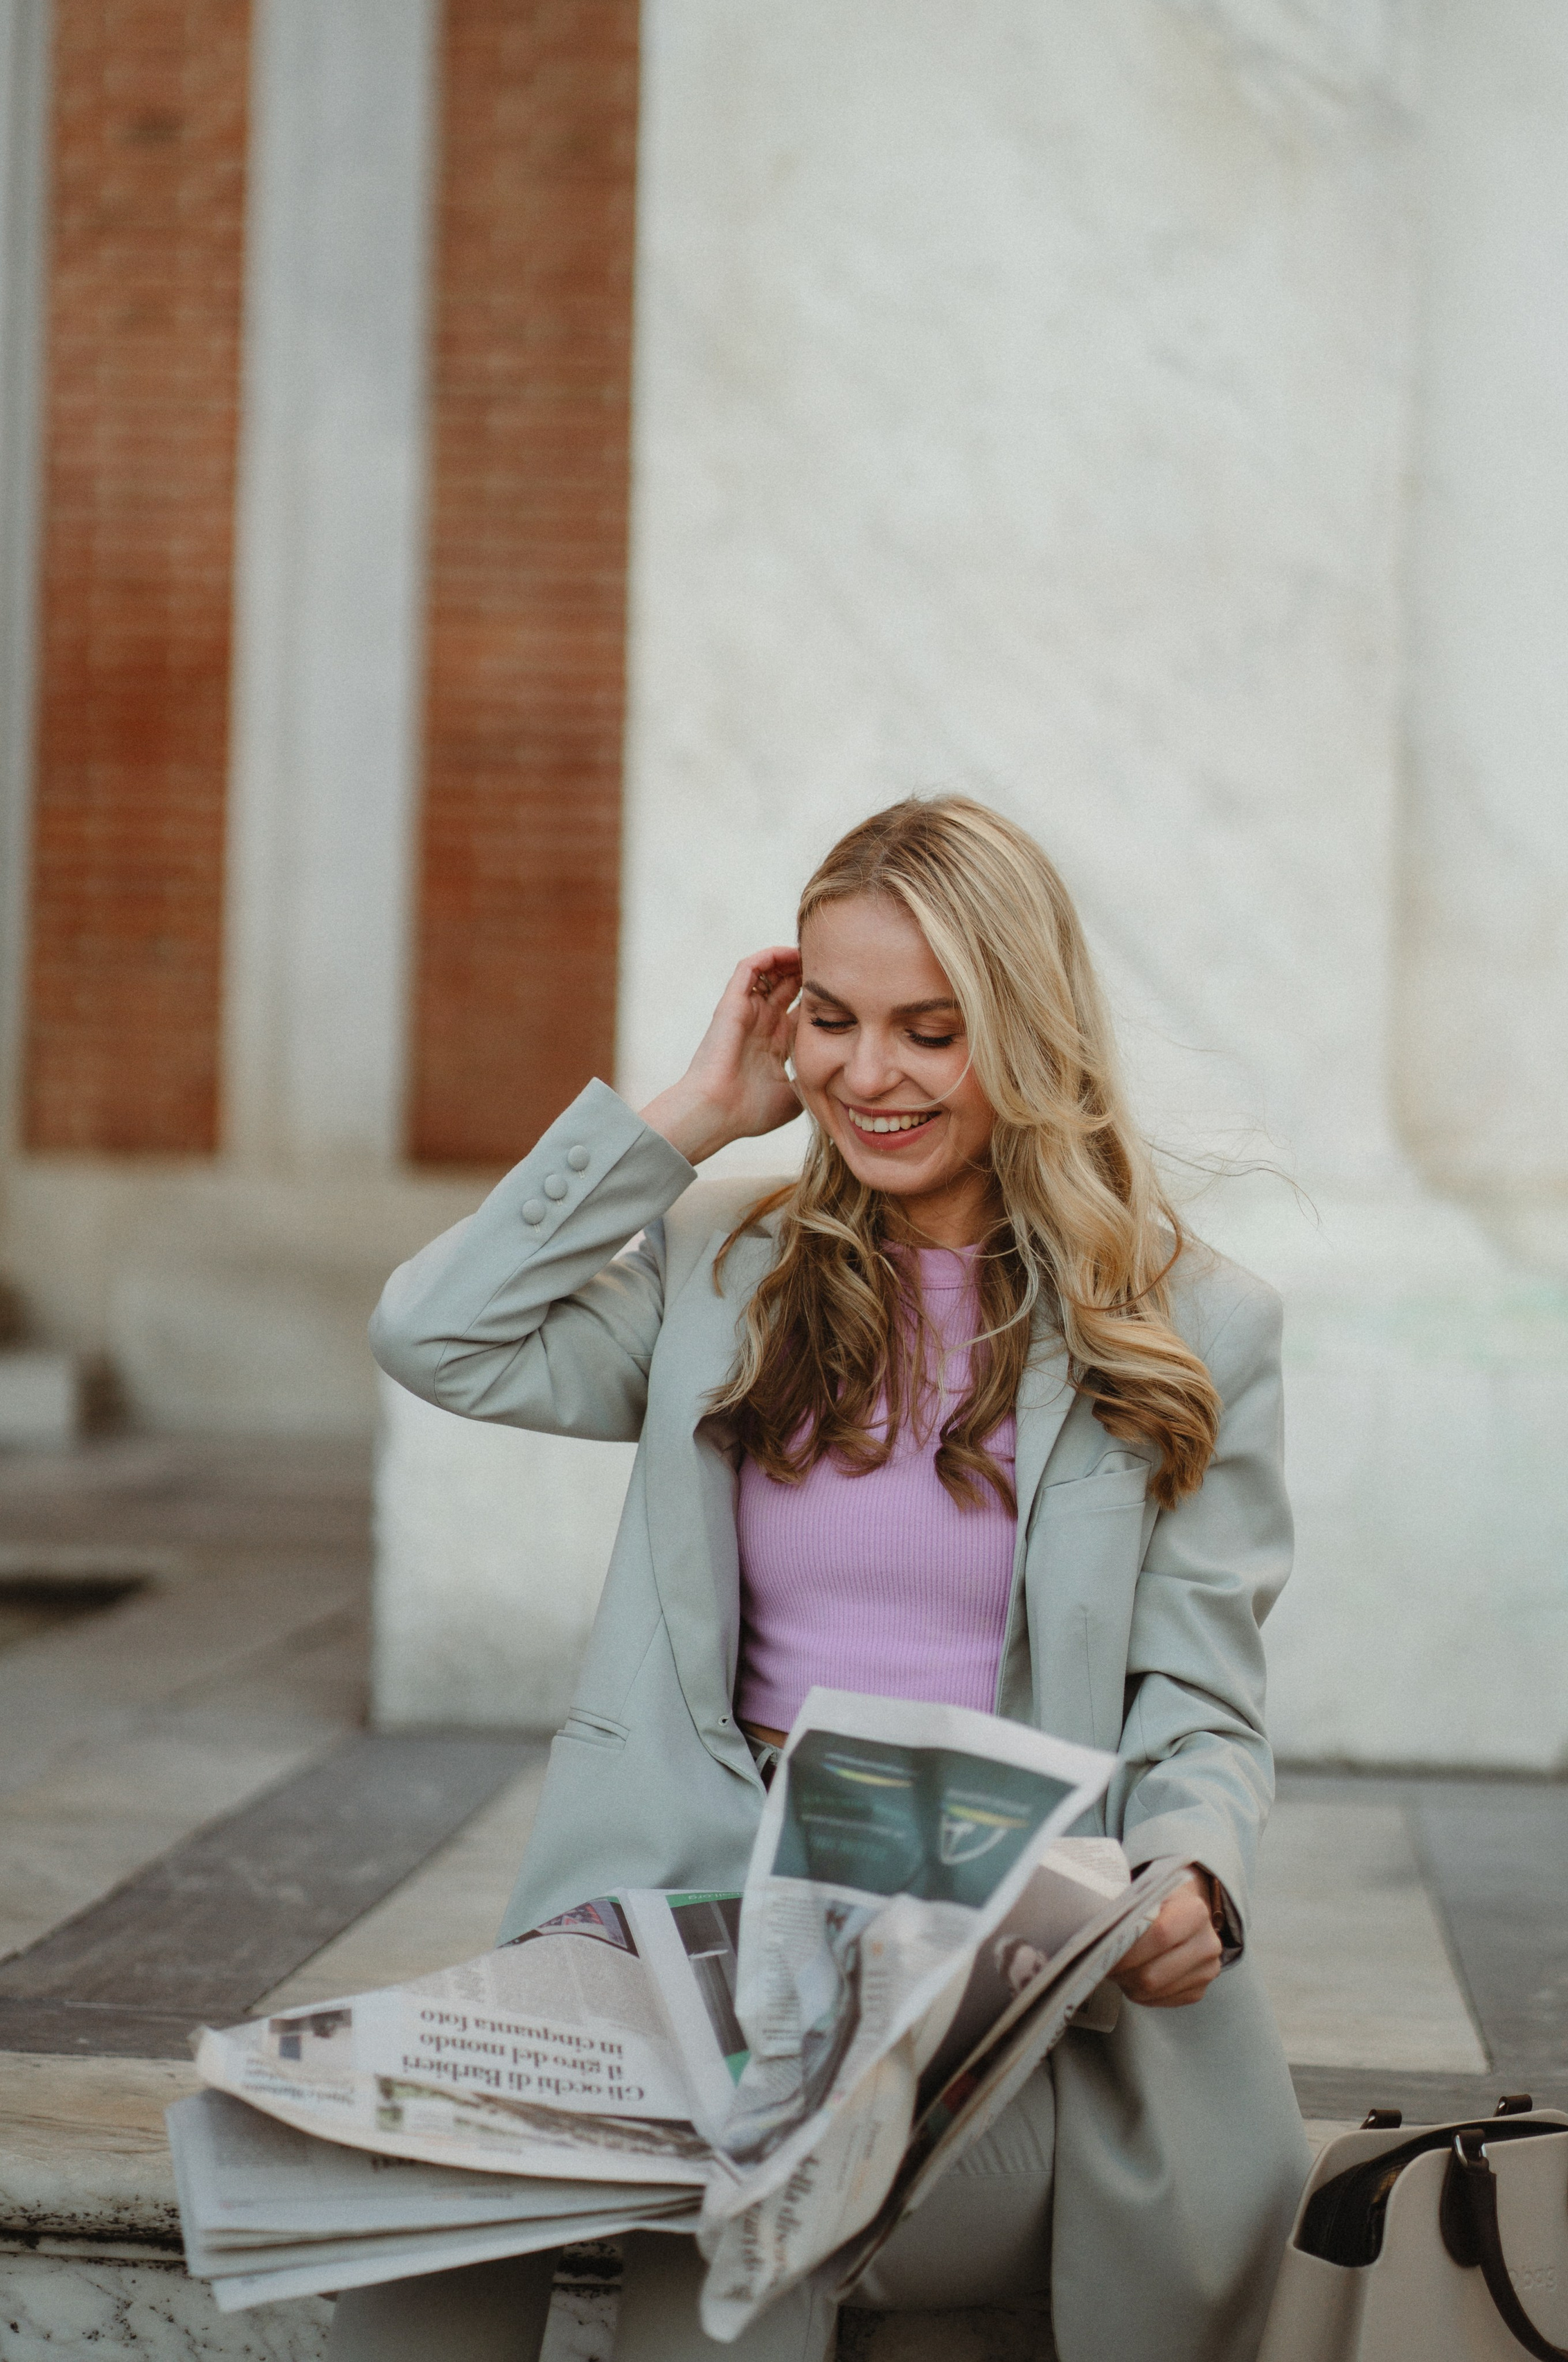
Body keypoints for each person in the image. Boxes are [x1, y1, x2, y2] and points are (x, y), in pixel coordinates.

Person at [344, 797, 1310, 2362]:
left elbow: (1197, 1705)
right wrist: (681, 1118)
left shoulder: (1192, 1325)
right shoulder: (723, 1267)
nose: (869, 1077)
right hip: (684, 1941)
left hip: (995, 2013)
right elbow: (436, 1333)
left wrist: (1195, 1874)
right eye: (836, 1024)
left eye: (930, 1031)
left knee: (759, 2159)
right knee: (408, 2155)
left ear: (1027, 1027)